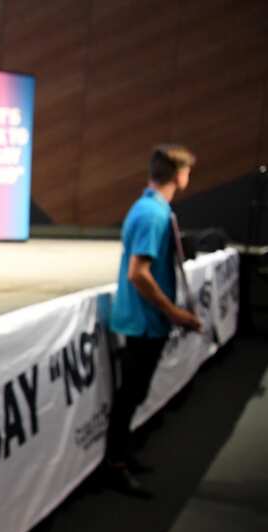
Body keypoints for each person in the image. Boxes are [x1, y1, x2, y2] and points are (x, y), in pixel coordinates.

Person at [104, 144, 202, 498]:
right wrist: (175, 313)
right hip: (143, 322)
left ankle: (123, 454)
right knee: (129, 394)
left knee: (135, 392)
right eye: (187, 171)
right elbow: (139, 274)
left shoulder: (152, 209)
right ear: (178, 175)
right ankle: (115, 464)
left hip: (145, 321)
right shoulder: (153, 215)